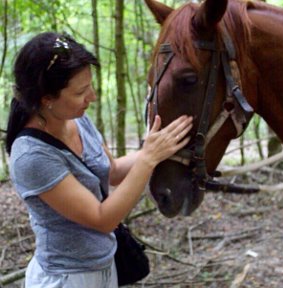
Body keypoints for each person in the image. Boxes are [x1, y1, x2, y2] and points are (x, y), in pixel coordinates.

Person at [5, 32, 193, 288]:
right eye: (81, 91)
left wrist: (161, 145)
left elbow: (112, 171)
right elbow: (103, 219)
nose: (92, 97)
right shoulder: (32, 156)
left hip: (105, 267)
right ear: (46, 99)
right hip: (65, 278)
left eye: (90, 85)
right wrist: (148, 159)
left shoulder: (75, 118)